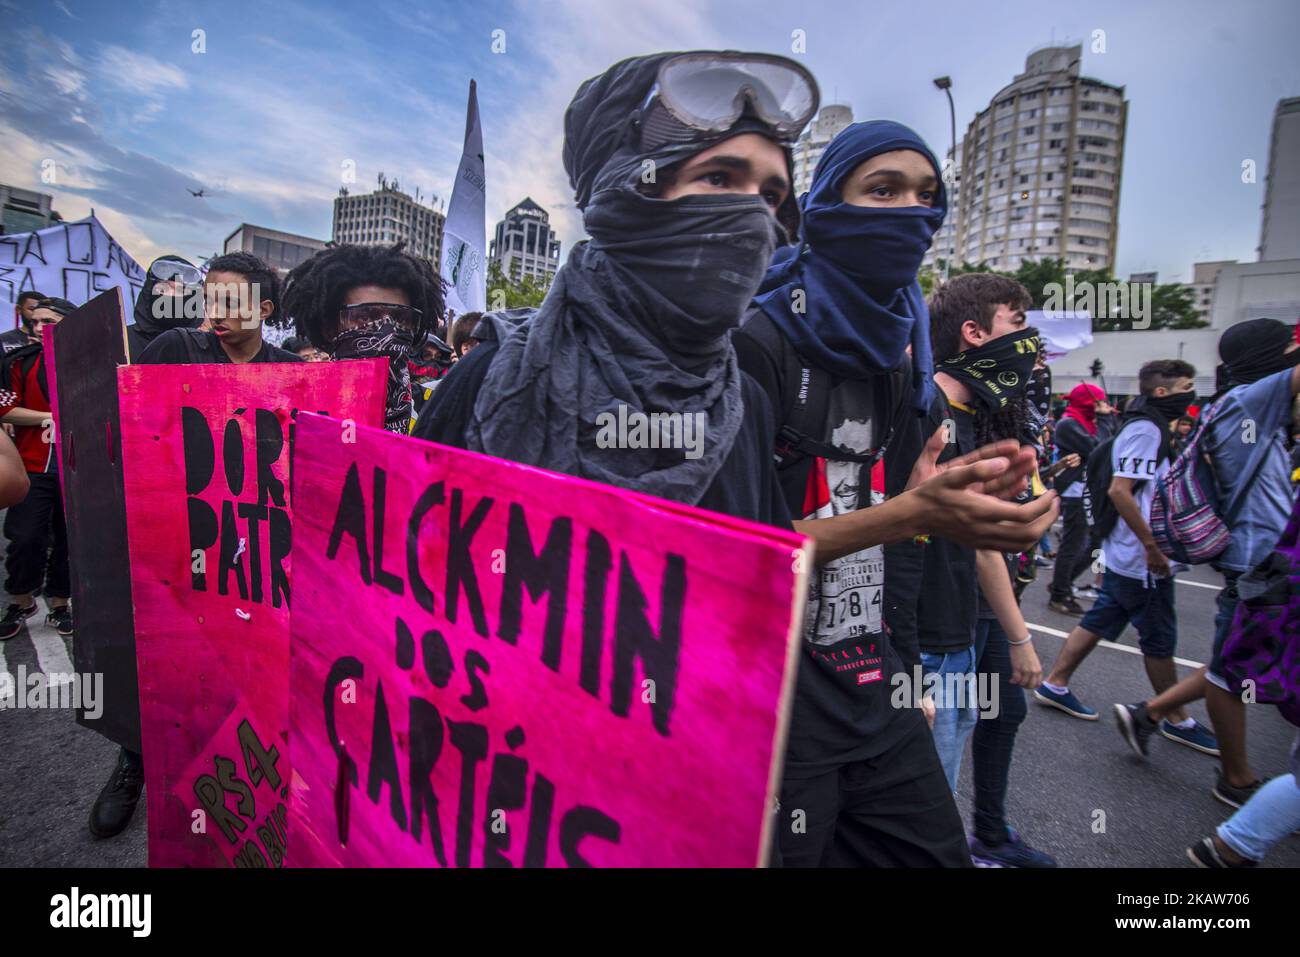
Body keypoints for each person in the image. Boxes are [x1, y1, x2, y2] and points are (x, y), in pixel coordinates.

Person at [734, 121, 1052, 867]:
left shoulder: (903, 354)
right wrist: (913, 512)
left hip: (875, 690)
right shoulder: (759, 343)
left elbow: (899, 541)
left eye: (926, 196)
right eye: (883, 190)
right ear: (827, 207)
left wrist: (987, 499)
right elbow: (736, 549)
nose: (911, 212)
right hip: (772, 707)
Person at [88, 252, 302, 842]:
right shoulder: (176, 346)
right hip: (173, 532)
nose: (217, 311)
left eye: (232, 300)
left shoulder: (289, 368)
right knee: (159, 650)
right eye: (210, 297)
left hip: (250, 541)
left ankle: (240, 769)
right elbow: (131, 424)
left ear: (263, 308)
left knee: (235, 656)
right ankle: (135, 761)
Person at [893, 272, 1058, 867]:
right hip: (927, 639)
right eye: (1019, 325)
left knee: (954, 758)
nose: (1030, 343)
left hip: (959, 632)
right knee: (923, 800)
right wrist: (1020, 639)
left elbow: (980, 537)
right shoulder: (923, 411)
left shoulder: (984, 415)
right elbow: (906, 538)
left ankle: (981, 840)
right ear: (974, 332)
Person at [1114, 319, 1300, 806]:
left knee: (1233, 654)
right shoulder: (1250, 402)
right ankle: (1236, 780)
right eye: (1289, 349)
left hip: (1267, 562)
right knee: (1228, 669)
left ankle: (1148, 714)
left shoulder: (1250, 408)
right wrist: (1151, 548)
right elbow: (1119, 490)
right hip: (1259, 566)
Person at [1036, 360, 1217, 754]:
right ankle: (1172, 717)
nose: (1192, 392)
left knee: (1102, 617)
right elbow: (1121, 490)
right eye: (1186, 386)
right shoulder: (1145, 429)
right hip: (1141, 556)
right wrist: (1151, 546)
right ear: (1162, 393)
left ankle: (1055, 682)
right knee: (1158, 638)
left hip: (1130, 553)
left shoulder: (1145, 424)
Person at [282, 242, 443, 432]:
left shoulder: (438, 409)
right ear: (328, 327)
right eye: (365, 317)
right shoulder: (290, 413)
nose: (387, 329)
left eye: (400, 318)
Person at [0, 297, 76, 641]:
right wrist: (50, 417)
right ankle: (21, 601)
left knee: (70, 541)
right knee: (26, 537)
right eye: (35, 321)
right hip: (33, 464)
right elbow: (5, 409)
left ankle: (61, 603)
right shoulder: (19, 363)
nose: (38, 328)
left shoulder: (93, 363)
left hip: (78, 468)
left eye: (49, 322)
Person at [138, 252, 302, 365]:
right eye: (208, 302)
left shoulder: (293, 369)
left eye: (229, 304)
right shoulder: (176, 348)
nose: (215, 314)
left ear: (263, 310)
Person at [1048, 382, 1117, 615]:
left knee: (1096, 544)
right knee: (1073, 544)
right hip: (1076, 491)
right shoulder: (1069, 423)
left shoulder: (1086, 423)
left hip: (1092, 490)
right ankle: (1059, 593)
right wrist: (1105, 421)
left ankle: (1063, 583)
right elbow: (1101, 448)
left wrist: (1106, 420)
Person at [126, 255, 205, 361]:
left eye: (180, 291)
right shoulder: (121, 341)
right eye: (163, 289)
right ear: (148, 292)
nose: (170, 295)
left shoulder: (208, 348)